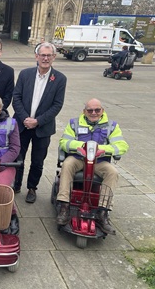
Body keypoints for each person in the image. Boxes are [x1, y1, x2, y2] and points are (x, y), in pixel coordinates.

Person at [55, 98, 129, 235]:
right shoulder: (74, 123)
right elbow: (64, 142)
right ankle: (64, 206)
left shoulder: (111, 126)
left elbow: (122, 146)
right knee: (67, 164)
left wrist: (100, 149)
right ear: (84, 111)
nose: (93, 113)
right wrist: (82, 146)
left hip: (99, 161)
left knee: (112, 172)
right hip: (79, 158)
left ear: (102, 111)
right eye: (90, 110)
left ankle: (103, 211)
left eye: (97, 110)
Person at [12, 42, 67, 203]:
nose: (45, 58)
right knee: (18, 157)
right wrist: (25, 119)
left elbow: (57, 105)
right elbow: (16, 98)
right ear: (36, 56)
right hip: (22, 125)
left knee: (37, 161)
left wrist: (37, 121)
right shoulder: (25, 74)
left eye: (49, 55)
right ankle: (16, 184)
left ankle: (32, 188)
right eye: (42, 55)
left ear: (54, 57)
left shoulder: (59, 79)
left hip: (43, 128)